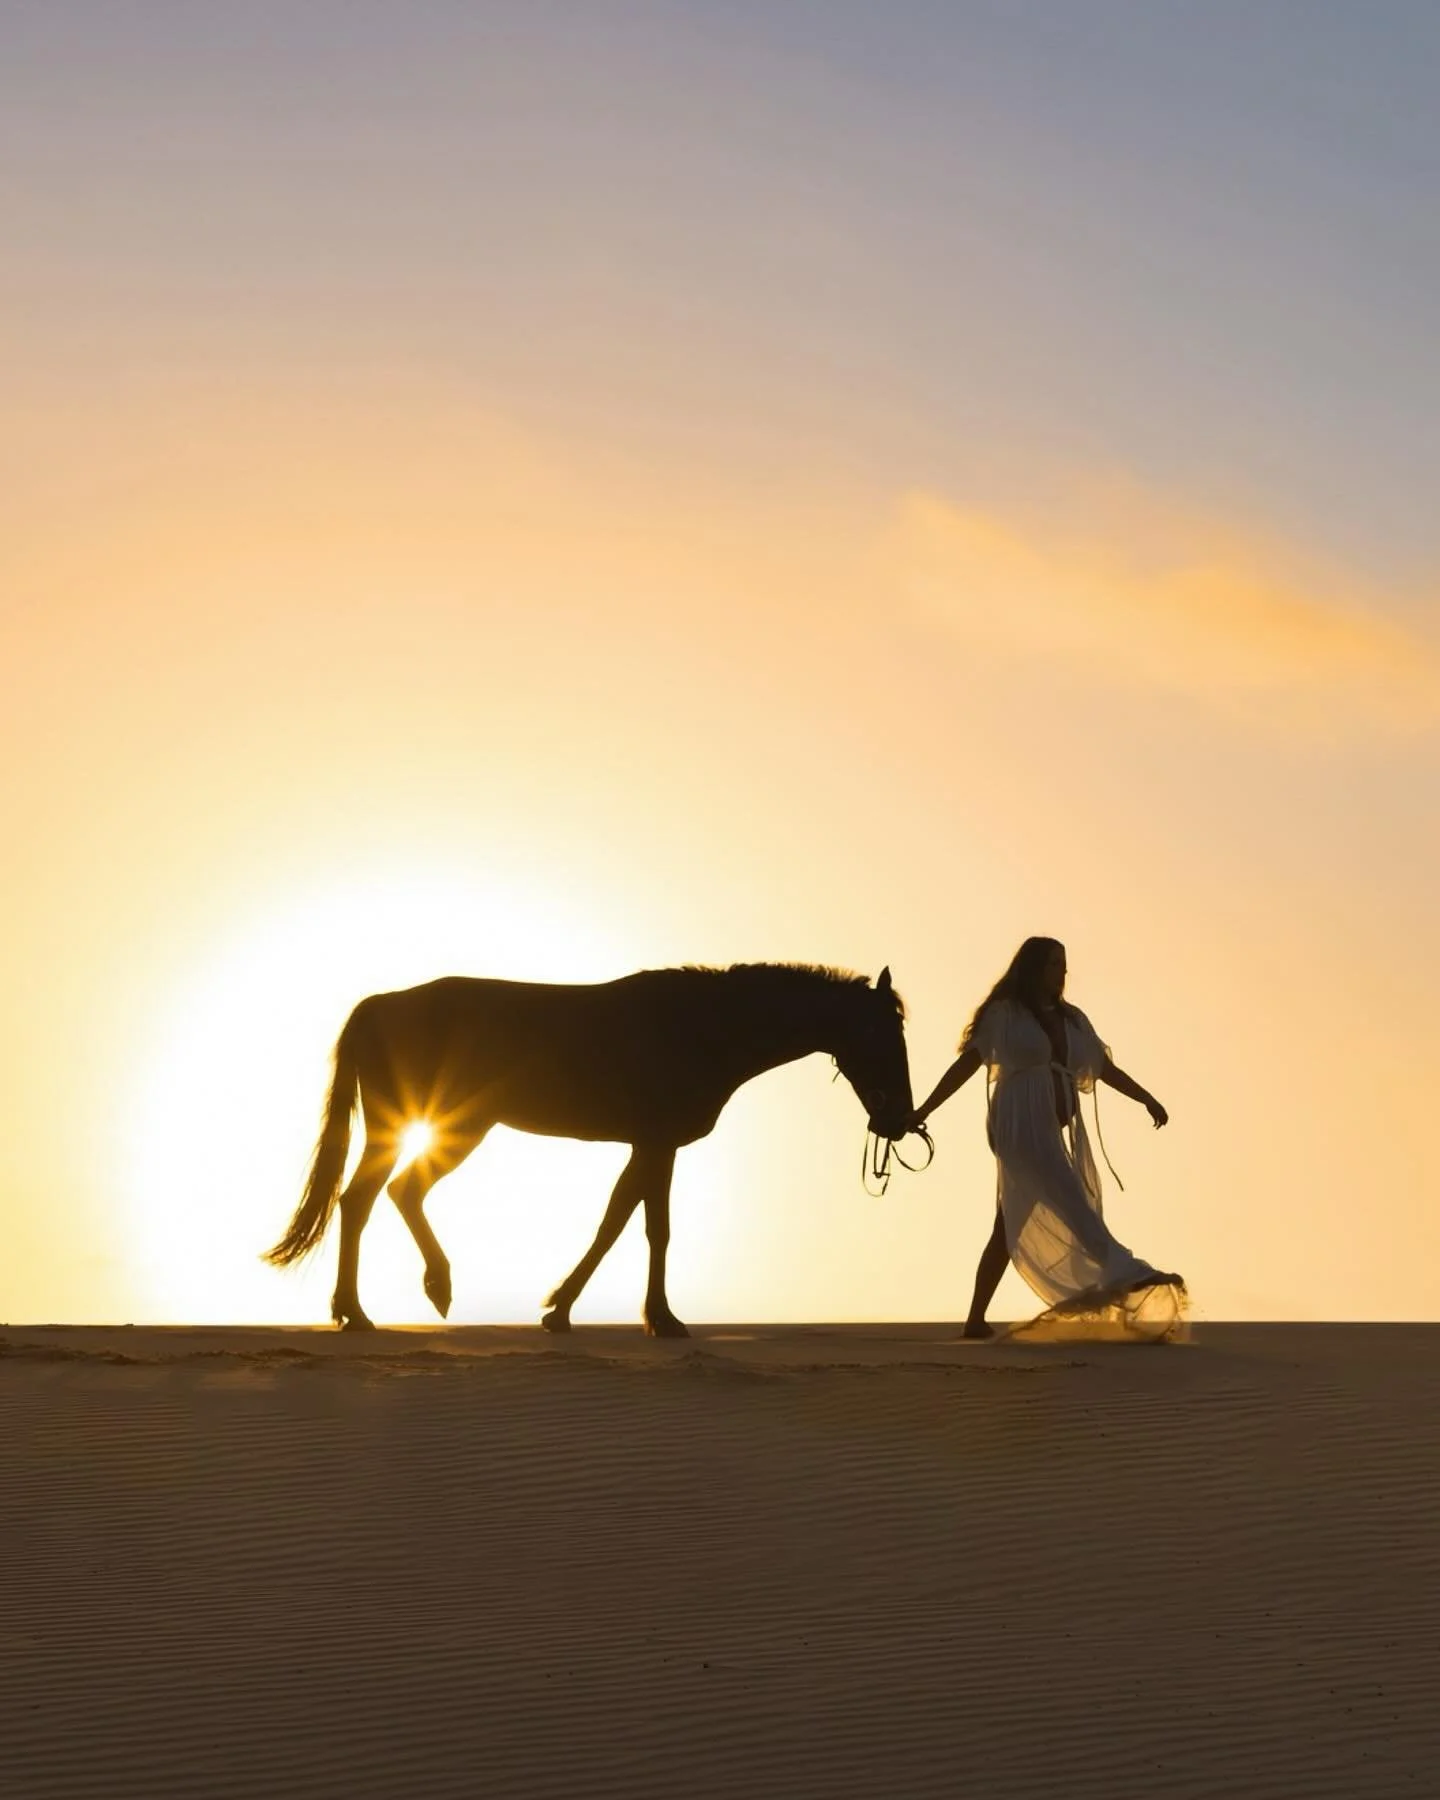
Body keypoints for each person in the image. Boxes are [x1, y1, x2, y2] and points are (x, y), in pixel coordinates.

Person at [910, 936, 1182, 1339]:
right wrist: (924, 1110)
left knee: (1008, 1224)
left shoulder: (1073, 1020)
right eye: (1055, 963)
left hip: (1048, 1131)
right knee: (1071, 1193)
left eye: (1065, 964)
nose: (1063, 972)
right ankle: (1126, 1273)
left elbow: (1104, 1069)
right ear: (1034, 967)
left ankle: (974, 1320)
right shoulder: (1006, 1015)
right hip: (1018, 1126)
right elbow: (968, 1064)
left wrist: (1147, 1099)